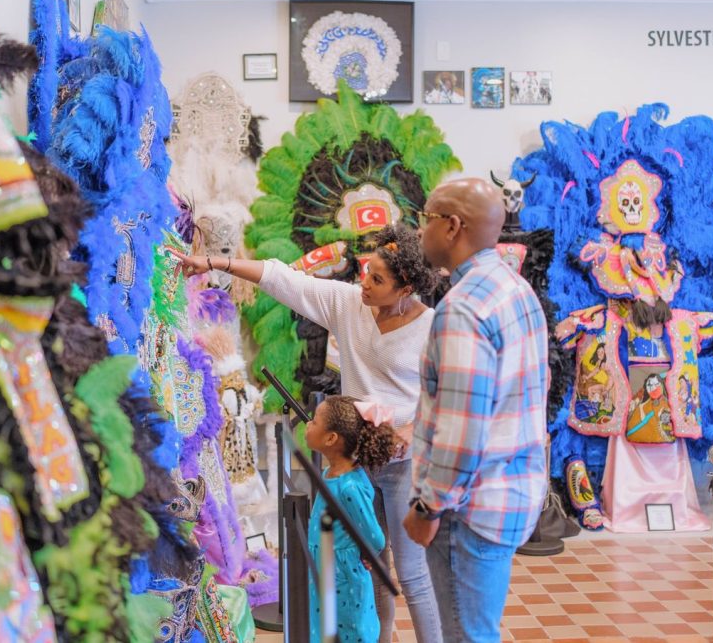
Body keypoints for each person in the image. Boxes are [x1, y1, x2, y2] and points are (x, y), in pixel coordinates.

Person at [178, 224, 444, 643]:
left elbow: (447, 396)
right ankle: (382, 637)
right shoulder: (348, 303)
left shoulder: (433, 327)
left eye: (377, 279)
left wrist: (411, 429)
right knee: (369, 561)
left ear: (406, 287)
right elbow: (281, 277)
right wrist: (214, 262)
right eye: (365, 271)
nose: (364, 284)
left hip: (402, 466)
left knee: (411, 573)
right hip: (349, 461)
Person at [403, 177, 549, 643]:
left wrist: (428, 508)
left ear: (452, 226)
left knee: (465, 634)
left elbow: (462, 434)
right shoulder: (512, 287)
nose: (418, 231)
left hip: (465, 511)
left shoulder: (463, 308)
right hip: (508, 494)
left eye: (424, 219)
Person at [304, 396, 398, 642]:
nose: (307, 425)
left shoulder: (349, 488)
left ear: (331, 438)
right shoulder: (331, 474)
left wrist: (363, 553)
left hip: (342, 578)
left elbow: (376, 537)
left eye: (314, 422)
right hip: (326, 572)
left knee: (350, 632)